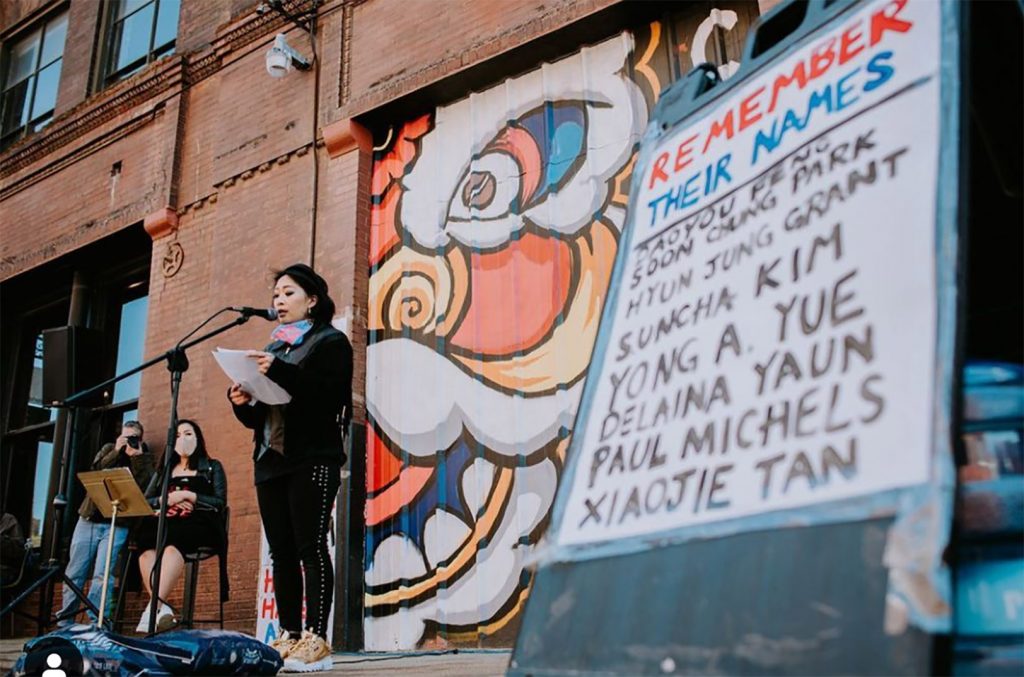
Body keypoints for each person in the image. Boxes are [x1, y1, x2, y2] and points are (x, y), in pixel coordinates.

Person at [228, 263, 352, 672]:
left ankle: (317, 640)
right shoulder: (275, 347)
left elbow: (325, 399)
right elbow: (266, 415)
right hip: (270, 460)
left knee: (311, 546)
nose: (278, 301)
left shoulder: (330, 342)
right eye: (276, 295)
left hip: (312, 458)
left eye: (288, 293)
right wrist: (242, 403)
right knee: (281, 553)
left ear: (312, 299)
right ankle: (289, 635)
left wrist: (277, 371)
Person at [57, 421, 154, 626]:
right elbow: (95, 469)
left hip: (117, 525)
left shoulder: (144, 459)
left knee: (103, 574)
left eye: (134, 437)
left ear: (141, 439)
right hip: (89, 519)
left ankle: (98, 622)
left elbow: (143, 486)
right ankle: (65, 621)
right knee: (75, 571)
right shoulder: (109, 449)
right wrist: (117, 450)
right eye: (126, 436)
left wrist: (136, 457)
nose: (130, 441)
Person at [134, 419, 227, 632]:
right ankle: (161, 607)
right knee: (144, 544)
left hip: (198, 523)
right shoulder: (164, 471)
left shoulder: (212, 467)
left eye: (188, 434)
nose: (182, 439)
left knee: (173, 542)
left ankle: (151, 610)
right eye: (177, 436)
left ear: (198, 438)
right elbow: (146, 500)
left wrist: (189, 495)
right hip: (165, 519)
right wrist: (168, 499)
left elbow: (220, 502)